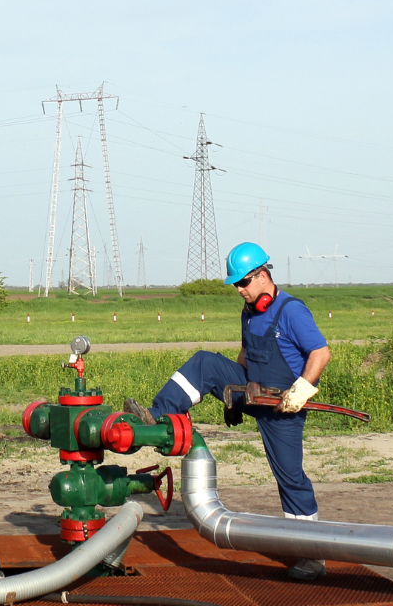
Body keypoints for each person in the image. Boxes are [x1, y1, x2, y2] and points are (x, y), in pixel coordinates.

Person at [137, 242, 332, 580]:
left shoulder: (291, 311)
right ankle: (161, 416)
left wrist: (301, 390)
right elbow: (245, 353)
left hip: (284, 406)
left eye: (243, 283)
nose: (239, 290)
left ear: (262, 275)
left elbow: (320, 353)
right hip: (251, 391)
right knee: (204, 362)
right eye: (236, 285)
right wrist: (232, 397)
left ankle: (311, 555)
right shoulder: (248, 311)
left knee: (290, 477)